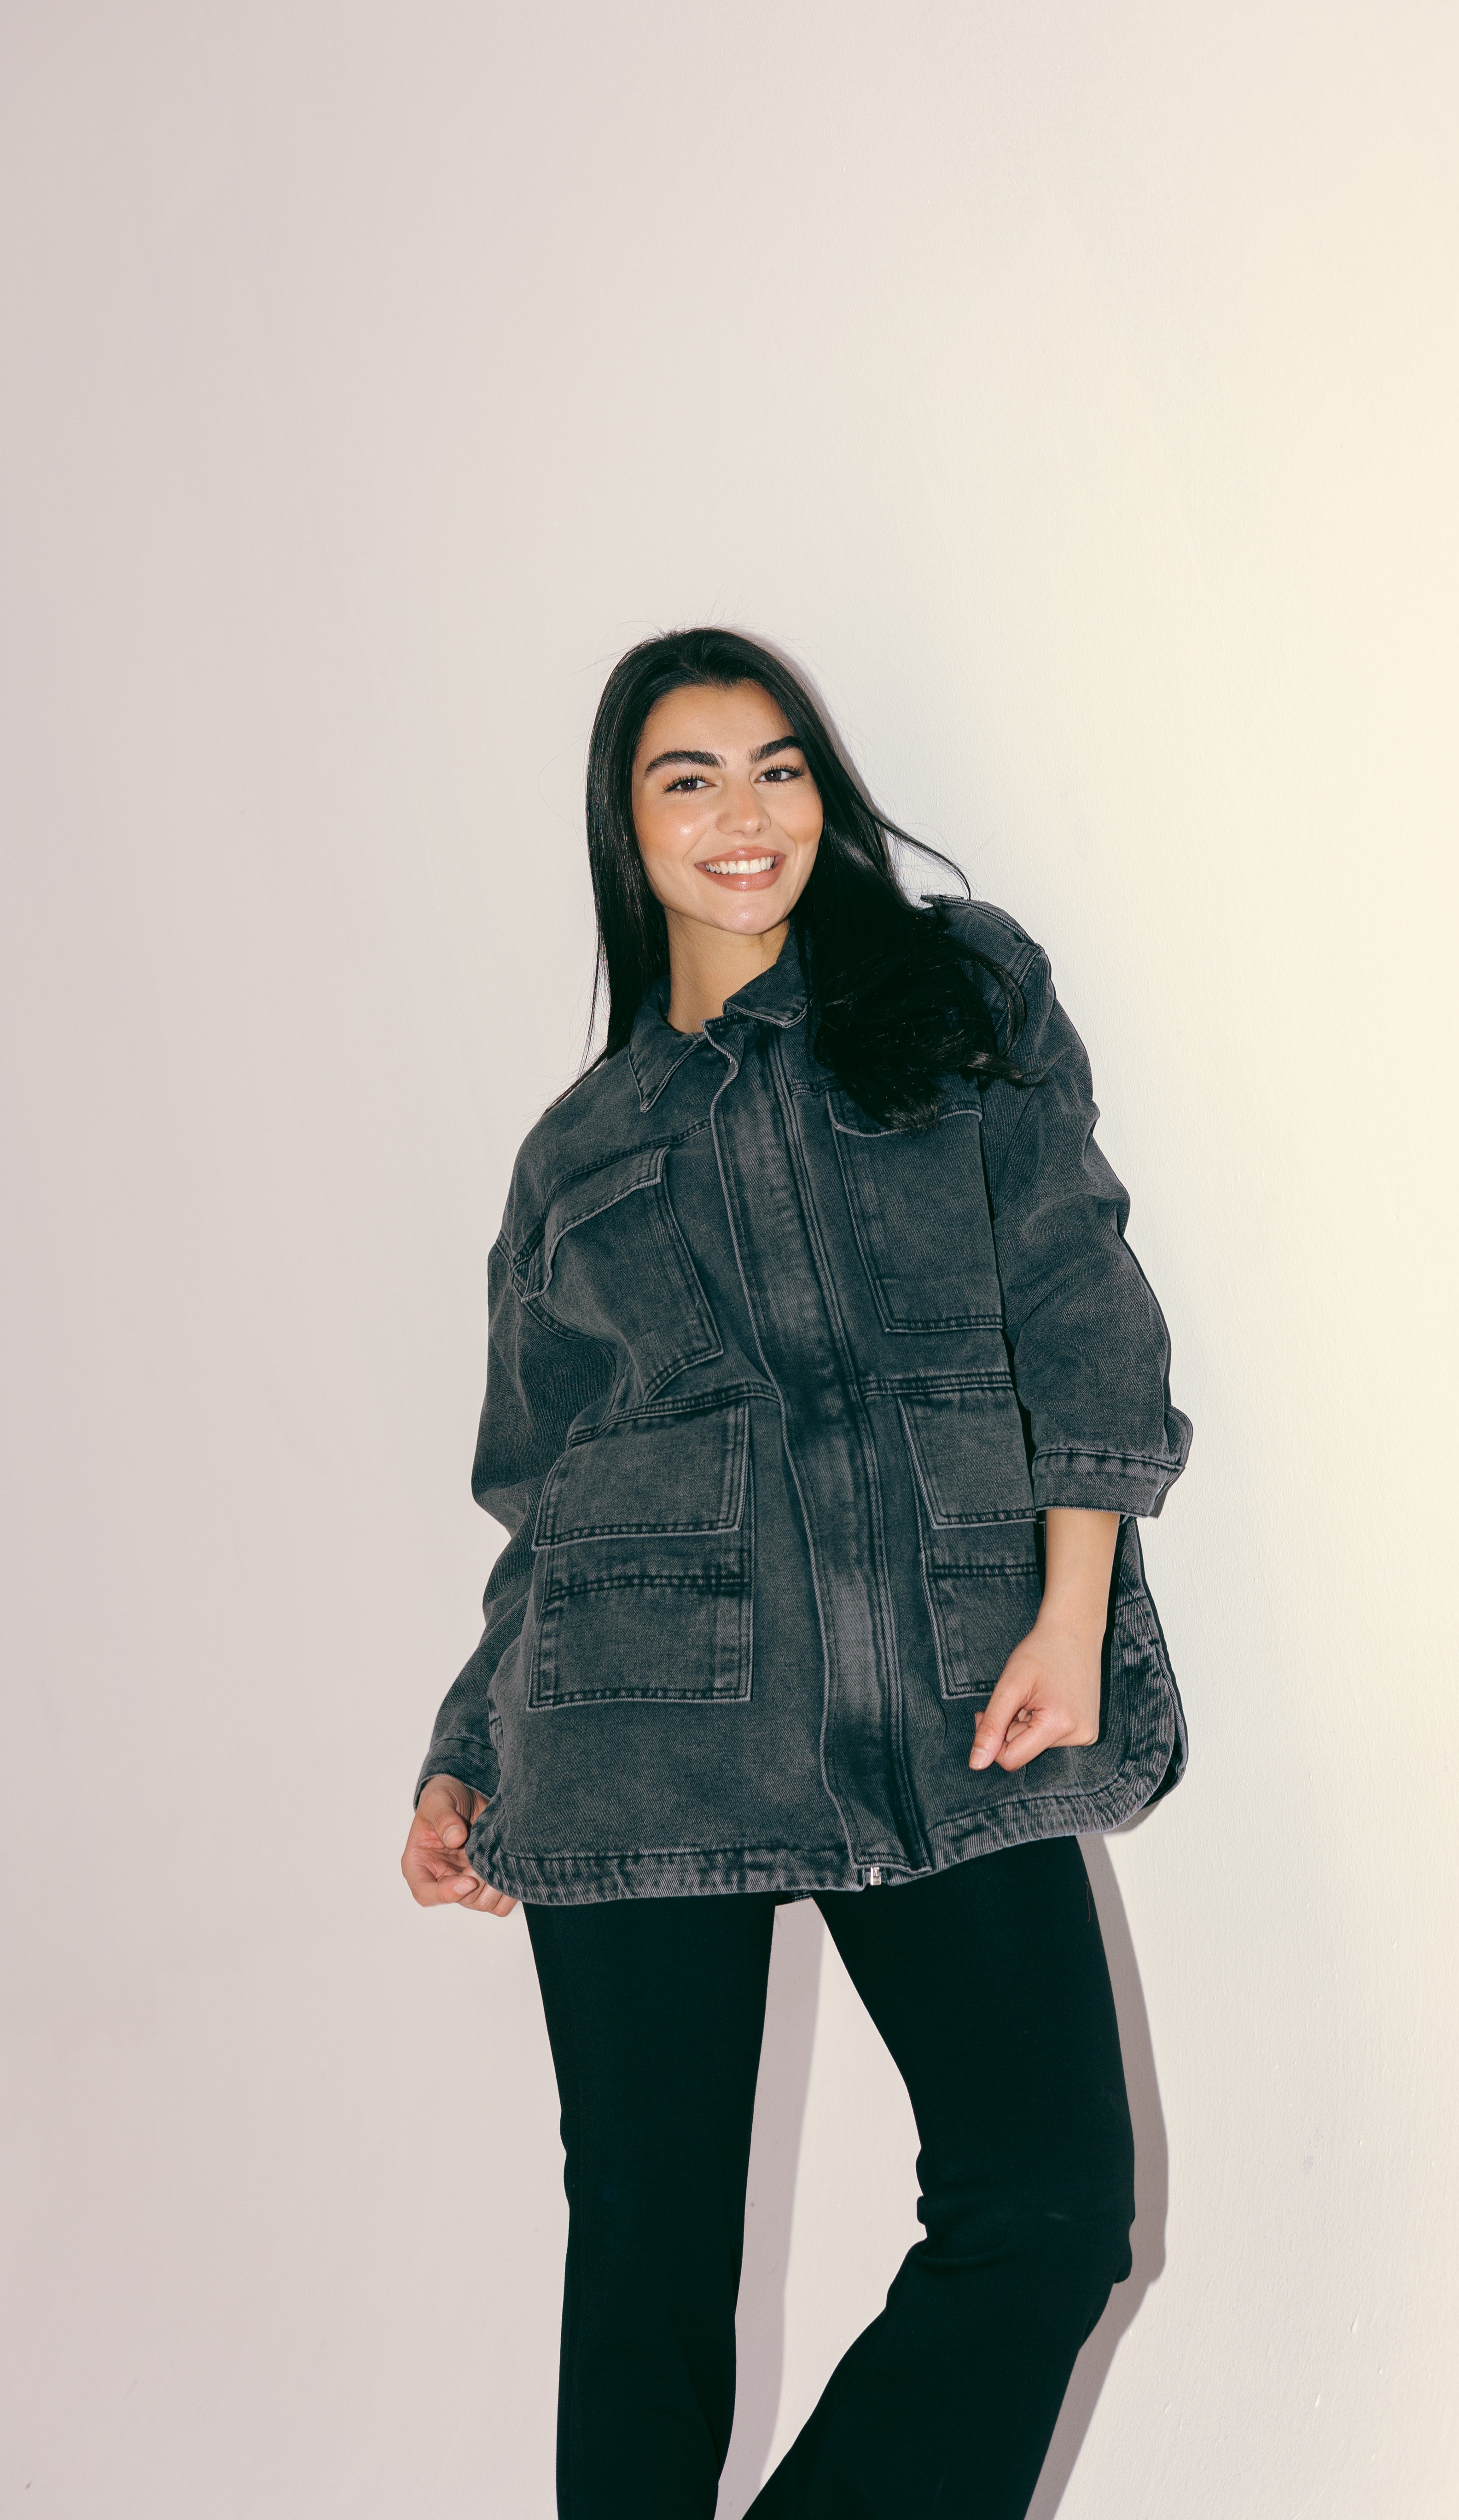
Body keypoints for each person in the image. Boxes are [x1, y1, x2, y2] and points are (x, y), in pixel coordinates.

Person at [401, 627, 1192, 2519]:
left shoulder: (954, 998)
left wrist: (1071, 1607)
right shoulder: (576, 1151)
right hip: (635, 1722)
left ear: (824, 799)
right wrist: (464, 1750)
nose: (742, 812)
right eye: (688, 778)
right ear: (627, 827)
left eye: (778, 767)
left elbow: (1078, 1292)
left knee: (1050, 2207)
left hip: (948, 1682)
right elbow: (544, 1496)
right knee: (651, 2270)